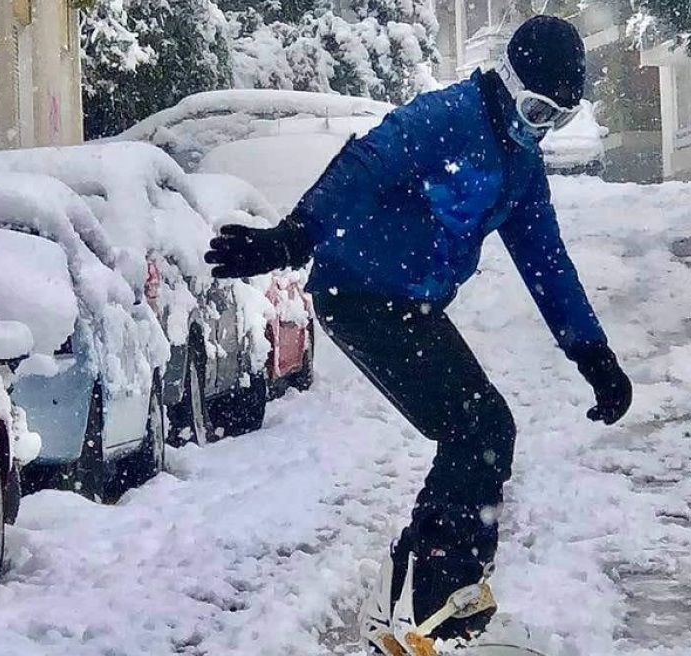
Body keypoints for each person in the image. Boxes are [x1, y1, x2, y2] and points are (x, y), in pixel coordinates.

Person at [205, 15, 633, 655]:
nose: (538, 128)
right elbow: (364, 165)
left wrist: (593, 354)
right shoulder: (447, 118)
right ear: (509, 81)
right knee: (478, 429)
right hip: (359, 295)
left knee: (483, 430)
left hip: (413, 306)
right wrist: (294, 236)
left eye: (558, 120)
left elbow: (548, 263)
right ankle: (434, 606)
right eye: (536, 109)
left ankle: (428, 597)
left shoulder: (520, 168)